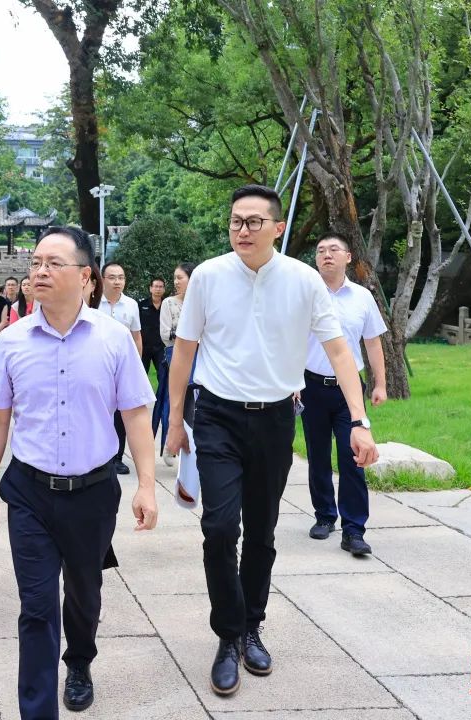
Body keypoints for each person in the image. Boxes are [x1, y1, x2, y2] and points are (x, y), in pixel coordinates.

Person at [165, 185, 379, 698]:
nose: (242, 230)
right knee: (220, 528)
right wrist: (174, 420)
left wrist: (359, 419)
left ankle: (250, 627)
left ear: (278, 228)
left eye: (254, 222)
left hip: (276, 418)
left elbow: (340, 351)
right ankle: (227, 635)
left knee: (261, 531)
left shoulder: (304, 281)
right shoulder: (208, 276)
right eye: (236, 221)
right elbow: (184, 350)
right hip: (217, 416)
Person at [0, 226, 158, 719]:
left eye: (53, 263)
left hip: (93, 493)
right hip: (30, 493)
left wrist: (146, 486)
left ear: (85, 277)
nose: (40, 271)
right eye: (36, 262)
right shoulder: (12, 341)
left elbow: (136, 414)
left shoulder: (113, 339)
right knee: (36, 608)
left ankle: (79, 662)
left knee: (83, 593)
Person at [300, 232, 388, 556]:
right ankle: (325, 515)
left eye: (333, 249)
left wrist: (380, 384)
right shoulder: (306, 296)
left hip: (348, 392)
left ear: (348, 257)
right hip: (310, 386)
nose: (326, 255)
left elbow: (373, 342)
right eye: (321, 250)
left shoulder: (362, 297)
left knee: (353, 457)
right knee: (318, 454)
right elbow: (291, 341)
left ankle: (354, 530)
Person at [98, 262, 143, 476]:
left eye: (121, 277)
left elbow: (136, 336)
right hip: (97, 366)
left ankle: (117, 458)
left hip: (122, 367)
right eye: (112, 277)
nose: (117, 282)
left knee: (122, 414)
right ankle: (100, 456)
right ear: (102, 280)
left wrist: (137, 365)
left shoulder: (131, 305)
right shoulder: (92, 303)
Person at [154, 263, 191, 458]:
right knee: (173, 399)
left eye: (180, 277)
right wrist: (190, 336)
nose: (176, 282)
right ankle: (169, 445)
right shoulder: (168, 303)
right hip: (175, 355)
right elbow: (165, 335)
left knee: (194, 403)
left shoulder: (200, 301)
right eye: (175, 278)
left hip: (199, 356)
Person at [138, 277, 166, 375]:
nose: (158, 289)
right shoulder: (141, 305)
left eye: (161, 287)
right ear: (150, 288)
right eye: (156, 286)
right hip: (144, 346)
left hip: (161, 346)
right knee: (141, 374)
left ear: (164, 289)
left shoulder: (167, 305)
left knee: (163, 374)